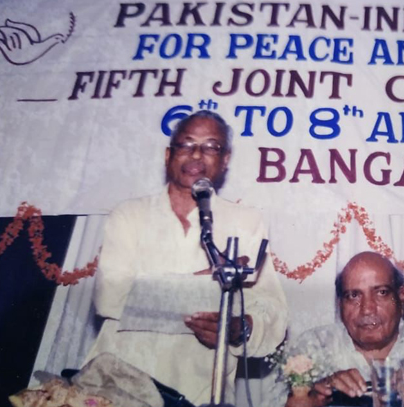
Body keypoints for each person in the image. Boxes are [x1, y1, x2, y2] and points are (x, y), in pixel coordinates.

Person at [85, 110, 288, 404]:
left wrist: (237, 328)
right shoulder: (130, 214)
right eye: (187, 144)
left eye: (210, 147)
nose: (196, 155)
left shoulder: (246, 222)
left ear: (225, 159)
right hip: (118, 387)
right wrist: (201, 286)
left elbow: (274, 313)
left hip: (202, 390)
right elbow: (110, 298)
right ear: (168, 155)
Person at [263, 251, 404, 407]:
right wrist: (313, 393)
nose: (367, 309)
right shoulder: (313, 346)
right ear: (340, 304)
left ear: (401, 296)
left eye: (381, 293)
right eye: (353, 296)